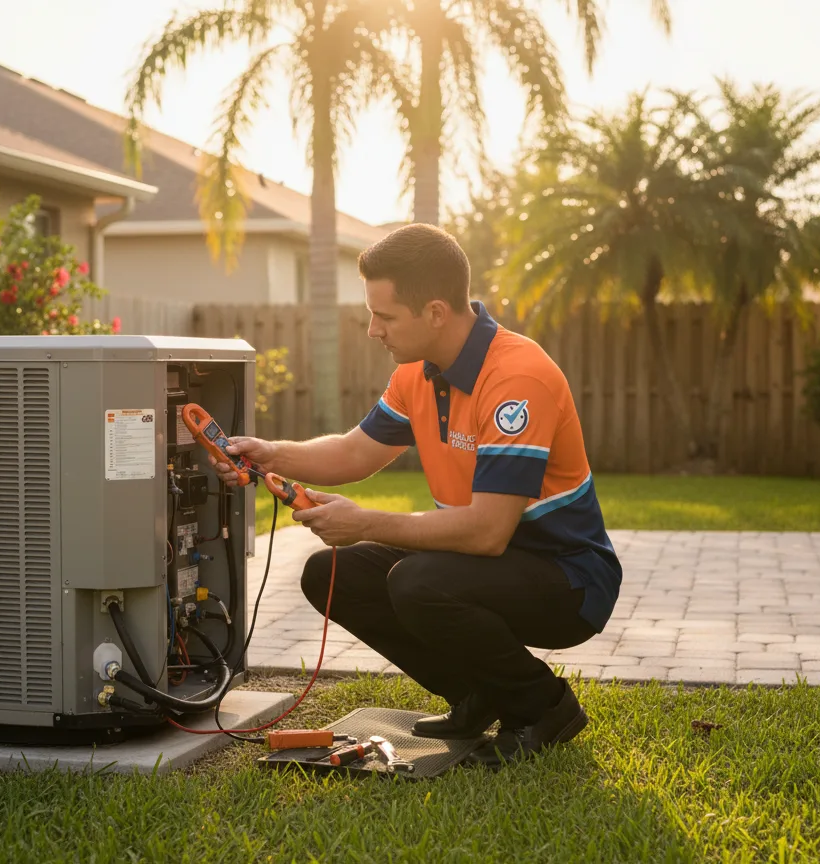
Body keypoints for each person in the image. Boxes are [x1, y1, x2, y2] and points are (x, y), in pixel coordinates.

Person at [209, 223, 622, 768]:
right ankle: (477, 696)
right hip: (485, 562)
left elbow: (487, 531)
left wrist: (365, 523)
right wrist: (267, 453)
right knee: (330, 574)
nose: (373, 330)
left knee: (417, 582)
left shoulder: (517, 380)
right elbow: (354, 454)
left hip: (569, 579)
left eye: (385, 316)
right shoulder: (418, 374)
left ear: (434, 312)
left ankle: (543, 707)